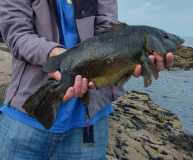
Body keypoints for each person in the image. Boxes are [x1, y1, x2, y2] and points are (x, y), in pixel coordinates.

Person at [0, 0, 173, 159]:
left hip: (90, 121)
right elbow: (17, 34)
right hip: (25, 120)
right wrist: (55, 56)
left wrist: (127, 65)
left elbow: (107, 31)